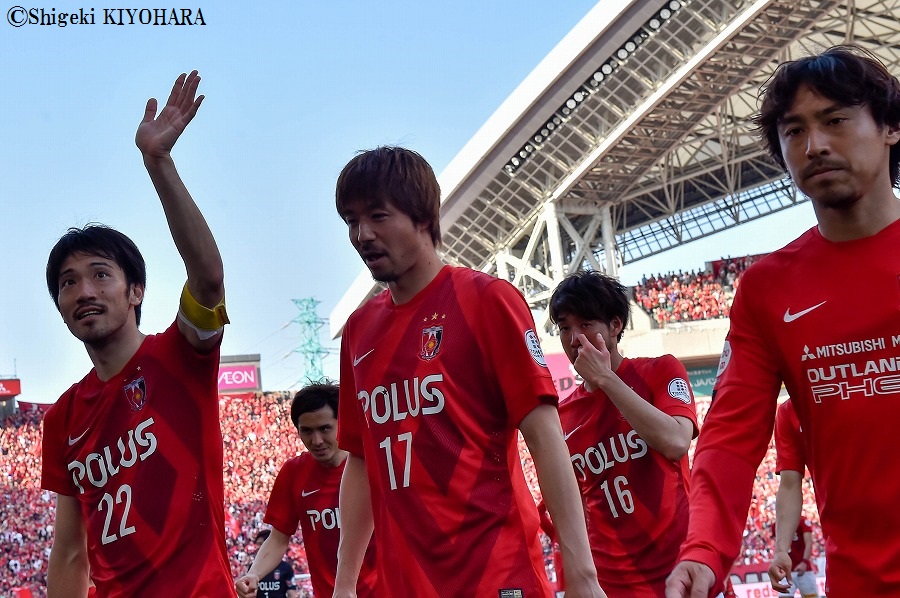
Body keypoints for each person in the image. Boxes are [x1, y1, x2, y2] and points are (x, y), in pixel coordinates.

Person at [666, 44, 900, 597]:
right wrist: (703, 549)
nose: (814, 145)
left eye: (835, 121)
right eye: (794, 132)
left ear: (890, 127)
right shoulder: (768, 289)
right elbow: (729, 435)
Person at [331, 147, 605, 597]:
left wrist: (581, 571)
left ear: (423, 217)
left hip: (496, 574)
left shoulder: (486, 300)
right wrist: (344, 584)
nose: (362, 234)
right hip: (407, 584)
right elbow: (360, 460)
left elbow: (545, 437)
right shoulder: (359, 330)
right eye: (351, 221)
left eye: (378, 216)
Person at [40, 71, 232, 596]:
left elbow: (209, 278)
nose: (84, 292)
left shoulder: (181, 356)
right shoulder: (62, 419)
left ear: (136, 291)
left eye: (101, 274)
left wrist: (159, 163)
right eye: (68, 282)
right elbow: (71, 548)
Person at [548, 271, 698, 596]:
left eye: (585, 324)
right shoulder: (560, 417)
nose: (573, 338)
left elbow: (675, 442)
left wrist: (606, 379)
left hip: (681, 573)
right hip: (612, 585)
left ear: (615, 326)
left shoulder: (660, 370)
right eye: (564, 328)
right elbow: (564, 508)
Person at [234, 382, 377, 598]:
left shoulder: (373, 467)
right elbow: (278, 538)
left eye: (324, 428)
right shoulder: (294, 472)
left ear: (343, 423)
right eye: (307, 431)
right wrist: (254, 574)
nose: (316, 440)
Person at [768, 400, 820, 598]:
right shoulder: (787, 413)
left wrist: (805, 562)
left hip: (802, 568)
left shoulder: (804, 521)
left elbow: (808, 541)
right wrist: (780, 552)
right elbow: (789, 485)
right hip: (790, 567)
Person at [238, 529, 299, 598]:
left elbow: (292, 593)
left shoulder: (285, 567)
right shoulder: (253, 569)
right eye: (257, 544)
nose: (257, 547)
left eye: (260, 544)